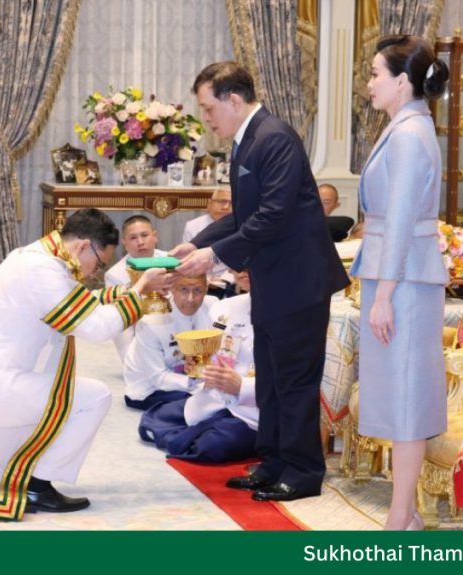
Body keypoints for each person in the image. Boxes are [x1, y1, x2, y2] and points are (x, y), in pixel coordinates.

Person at [0, 208, 171, 522]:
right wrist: (139, 291)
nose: (96, 272)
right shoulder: (42, 272)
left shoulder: (35, 258)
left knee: (13, 442)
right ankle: (37, 486)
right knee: (91, 397)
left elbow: (82, 302)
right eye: (100, 262)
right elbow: (95, 328)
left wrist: (134, 291)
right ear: (84, 247)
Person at [172, 61, 349, 503]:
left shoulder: (275, 137)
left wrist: (212, 256)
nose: (206, 118)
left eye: (209, 108)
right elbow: (243, 215)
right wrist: (196, 244)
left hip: (298, 281)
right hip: (274, 279)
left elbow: (274, 215)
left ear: (234, 99)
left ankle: (304, 470)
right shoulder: (248, 140)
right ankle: (273, 461)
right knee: (270, 376)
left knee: (294, 380)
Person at [350, 35, 450, 530]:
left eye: (374, 74)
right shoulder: (405, 127)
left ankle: (400, 516)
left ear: (402, 81)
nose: (369, 84)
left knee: (408, 395)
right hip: (397, 276)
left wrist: (384, 295)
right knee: (397, 392)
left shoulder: (410, 135)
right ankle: (403, 510)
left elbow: (406, 219)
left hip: (405, 281)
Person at [138, 271, 258, 462]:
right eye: (239, 263)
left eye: (197, 291)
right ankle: (201, 430)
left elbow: (293, 379)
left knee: (211, 446)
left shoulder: (291, 313)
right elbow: (217, 355)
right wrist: (198, 366)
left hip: (255, 409)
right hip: (216, 396)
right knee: (152, 420)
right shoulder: (224, 307)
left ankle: (200, 434)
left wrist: (242, 386)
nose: (243, 271)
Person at [122, 274, 218, 410]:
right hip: (150, 390)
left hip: (188, 378)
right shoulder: (151, 321)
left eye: (198, 290)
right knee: (208, 402)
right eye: (183, 290)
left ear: (206, 289)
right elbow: (158, 378)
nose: (191, 299)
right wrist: (197, 383)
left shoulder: (212, 306)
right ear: (172, 288)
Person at [104, 215, 168, 358]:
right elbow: (120, 324)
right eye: (133, 238)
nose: (140, 242)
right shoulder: (114, 274)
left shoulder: (170, 260)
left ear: (155, 236)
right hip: (138, 330)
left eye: (144, 235)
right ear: (124, 243)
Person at [183, 188, 235, 297]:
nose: (226, 207)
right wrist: (206, 280)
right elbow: (189, 259)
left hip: (231, 280)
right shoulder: (193, 225)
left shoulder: (241, 226)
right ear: (209, 204)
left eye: (231, 203)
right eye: (222, 202)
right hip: (201, 279)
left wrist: (225, 280)